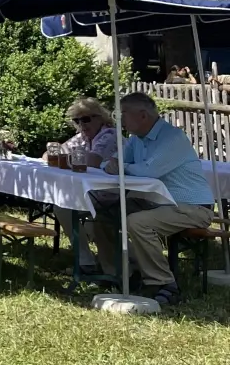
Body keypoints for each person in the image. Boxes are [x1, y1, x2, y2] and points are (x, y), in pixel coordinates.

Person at [91, 92, 214, 305]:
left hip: (191, 206)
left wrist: (120, 166)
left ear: (143, 116)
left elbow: (150, 171)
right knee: (103, 214)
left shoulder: (172, 137)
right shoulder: (136, 139)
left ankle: (165, 284)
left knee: (138, 223)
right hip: (156, 201)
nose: (119, 119)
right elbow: (112, 163)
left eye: (123, 114)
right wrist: (113, 164)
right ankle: (121, 274)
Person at [50, 97, 121, 275]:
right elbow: (49, 154)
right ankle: (87, 261)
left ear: (100, 117)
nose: (82, 124)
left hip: (113, 192)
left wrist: (61, 157)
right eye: (77, 120)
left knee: (64, 206)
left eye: (86, 119)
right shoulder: (83, 136)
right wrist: (57, 153)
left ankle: (86, 262)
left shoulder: (109, 134)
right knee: (63, 204)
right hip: (93, 190)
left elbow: (93, 161)